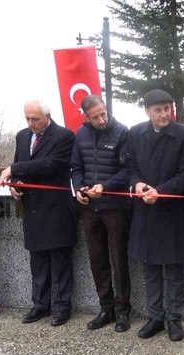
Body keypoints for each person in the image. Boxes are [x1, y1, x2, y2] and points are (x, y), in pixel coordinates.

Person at [129, 89, 184, 342]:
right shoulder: (135, 133)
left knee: (174, 268)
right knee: (151, 267)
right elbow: (131, 167)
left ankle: (174, 318)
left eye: (167, 109)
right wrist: (137, 183)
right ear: (147, 111)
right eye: (158, 110)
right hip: (145, 211)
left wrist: (161, 192)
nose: (164, 114)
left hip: (172, 211)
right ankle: (155, 316)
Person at [0, 101, 76, 326]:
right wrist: (15, 183)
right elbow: (20, 163)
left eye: (35, 119)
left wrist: (14, 169)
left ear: (47, 117)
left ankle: (62, 307)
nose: (31, 123)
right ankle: (40, 305)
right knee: (38, 262)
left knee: (60, 262)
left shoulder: (64, 136)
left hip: (56, 209)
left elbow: (51, 165)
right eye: (27, 118)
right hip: (32, 208)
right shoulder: (22, 136)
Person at [70, 95, 132, 332]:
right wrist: (79, 188)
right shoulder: (81, 134)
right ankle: (106, 308)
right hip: (90, 208)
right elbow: (76, 167)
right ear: (86, 117)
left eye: (103, 113)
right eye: (95, 117)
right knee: (97, 260)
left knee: (118, 260)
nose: (102, 119)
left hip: (115, 207)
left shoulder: (122, 132)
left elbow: (127, 171)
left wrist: (104, 187)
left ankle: (123, 310)